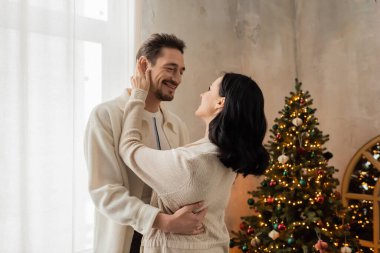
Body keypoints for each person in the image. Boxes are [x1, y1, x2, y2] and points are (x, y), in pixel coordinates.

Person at [118, 58, 270, 252]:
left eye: (209, 89)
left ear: (220, 102)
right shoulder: (226, 157)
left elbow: (129, 148)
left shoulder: (191, 163)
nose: (202, 94)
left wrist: (138, 94)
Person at [84, 33, 207, 253]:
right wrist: (162, 221)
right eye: (170, 69)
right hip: (126, 239)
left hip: (168, 243)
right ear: (143, 65)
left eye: (180, 71)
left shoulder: (177, 126)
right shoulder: (105, 116)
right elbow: (104, 191)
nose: (177, 79)